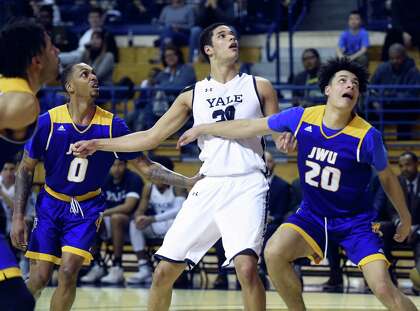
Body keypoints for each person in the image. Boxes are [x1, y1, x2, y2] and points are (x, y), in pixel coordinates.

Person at [177, 57, 416, 311]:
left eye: (355, 83)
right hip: (312, 215)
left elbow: (388, 178)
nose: (350, 86)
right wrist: (203, 127)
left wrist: (406, 217)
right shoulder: (302, 118)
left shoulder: (368, 136)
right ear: (328, 89)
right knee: (273, 253)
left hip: (355, 222)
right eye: (343, 81)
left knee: (382, 287)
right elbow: (249, 125)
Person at [72, 22, 280, 311]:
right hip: (208, 183)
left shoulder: (260, 86)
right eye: (222, 36)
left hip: (247, 182)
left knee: (246, 268)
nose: (231, 38)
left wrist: (285, 142)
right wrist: (99, 144)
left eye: (233, 35)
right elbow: (150, 136)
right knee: (163, 273)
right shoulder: (192, 95)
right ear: (208, 49)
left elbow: (278, 131)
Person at [11, 62, 199, 311]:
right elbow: (25, 168)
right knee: (39, 277)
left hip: (86, 207)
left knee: (68, 272)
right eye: (85, 74)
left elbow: (146, 167)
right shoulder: (47, 122)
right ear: (69, 86)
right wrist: (17, 216)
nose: (93, 77)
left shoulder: (112, 126)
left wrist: (187, 181)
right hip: (50, 203)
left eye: (94, 73)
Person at [0, 19, 60, 311]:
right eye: (51, 47)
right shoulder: (21, 101)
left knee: (17, 301)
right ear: (37, 61)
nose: (58, 52)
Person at [81, 158, 143, 284]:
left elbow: (128, 207)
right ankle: (97, 264)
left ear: (126, 165)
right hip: (107, 221)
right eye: (113, 165)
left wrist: (102, 213)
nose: (116, 168)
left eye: (120, 165)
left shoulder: (133, 179)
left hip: (130, 224)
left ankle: (117, 266)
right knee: (91, 219)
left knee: (117, 218)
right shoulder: (104, 179)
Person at [128, 156, 186, 284]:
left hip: (174, 228)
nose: (153, 176)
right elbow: (140, 210)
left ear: (168, 174)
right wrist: (139, 217)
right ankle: (144, 268)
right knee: (134, 225)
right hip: (156, 225)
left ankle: (174, 270)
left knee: (176, 224)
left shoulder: (178, 187)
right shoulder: (148, 188)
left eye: (156, 173)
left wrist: (152, 219)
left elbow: (179, 210)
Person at [370, 43, 420, 140]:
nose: (394, 61)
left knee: (406, 111)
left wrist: (389, 96)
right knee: (370, 110)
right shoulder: (382, 68)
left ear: (404, 57)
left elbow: (413, 95)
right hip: (383, 107)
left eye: (398, 58)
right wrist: (375, 101)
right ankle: (377, 145)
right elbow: (371, 88)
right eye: (392, 58)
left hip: (404, 108)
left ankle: (403, 147)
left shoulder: (413, 71)